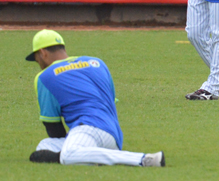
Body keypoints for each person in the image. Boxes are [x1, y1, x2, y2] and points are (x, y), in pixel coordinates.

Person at [26, 30, 165, 166]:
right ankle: (90, 157)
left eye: (36, 58)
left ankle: (142, 159)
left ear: (42, 53)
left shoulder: (45, 77)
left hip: (87, 129)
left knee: (68, 153)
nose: (38, 62)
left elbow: (53, 128)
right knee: (44, 146)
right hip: (114, 134)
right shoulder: (97, 63)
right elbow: (111, 102)